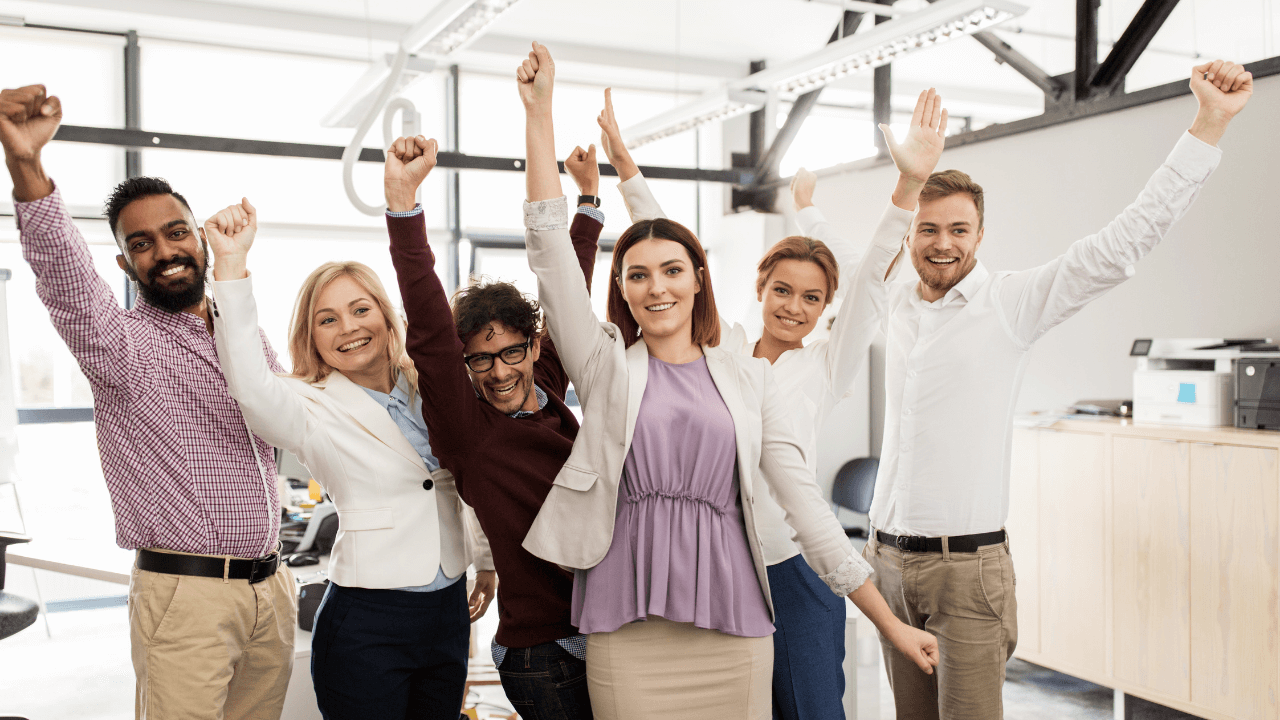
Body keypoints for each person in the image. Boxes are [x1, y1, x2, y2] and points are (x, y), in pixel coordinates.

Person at [515, 43, 938, 720]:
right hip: (628, 615)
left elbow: (806, 508)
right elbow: (552, 252)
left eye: (673, 271)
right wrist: (540, 114)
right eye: (637, 274)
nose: (657, 286)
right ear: (620, 289)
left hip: (739, 614)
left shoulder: (746, 378)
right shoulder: (605, 367)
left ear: (699, 278)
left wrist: (888, 624)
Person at [846, 61, 1249, 719]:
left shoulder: (1011, 303)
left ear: (979, 236)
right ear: (911, 237)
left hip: (966, 574)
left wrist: (1207, 126)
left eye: (958, 229)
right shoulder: (895, 302)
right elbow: (863, 263)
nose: (943, 243)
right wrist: (908, 178)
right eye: (929, 229)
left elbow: (1119, 248)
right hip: (886, 563)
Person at [0, 84, 296, 719]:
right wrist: (27, 167)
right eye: (141, 244)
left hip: (272, 590)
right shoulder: (122, 348)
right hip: (187, 599)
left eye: (175, 232)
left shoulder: (243, 333)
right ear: (125, 262)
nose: (163, 252)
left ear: (200, 237)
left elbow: (292, 420)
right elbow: (66, 279)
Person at [203, 198, 497, 719]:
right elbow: (248, 384)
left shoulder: (428, 385)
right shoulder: (308, 403)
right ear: (311, 336)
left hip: (447, 609)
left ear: (386, 315)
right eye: (328, 319)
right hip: (368, 620)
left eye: (361, 309)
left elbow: (462, 481)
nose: (349, 328)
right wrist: (230, 267)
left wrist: (486, 563)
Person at [384, 131, 606, 719]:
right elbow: (429, 322)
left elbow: (568, 290)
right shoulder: (468, 428)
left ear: (533, 347)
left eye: (511, 352)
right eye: (479, 358)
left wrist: (589, 202)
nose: (499, 371)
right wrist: (404, 205)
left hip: (606, 629)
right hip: (541, 651)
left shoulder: (551, 386)